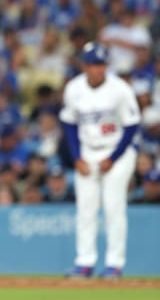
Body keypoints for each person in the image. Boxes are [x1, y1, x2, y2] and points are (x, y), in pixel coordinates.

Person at [60, 42, 140, 279]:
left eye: (102, 64)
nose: (98, 69)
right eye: (94, 64)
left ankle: (114, 264)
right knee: (85, 209)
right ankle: (84, 262)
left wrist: (113, 158)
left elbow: (131, 126)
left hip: (117, 152)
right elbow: (69, 123)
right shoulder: (74, 88)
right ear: (84, 66)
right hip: (87, 152)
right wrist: (76, 157)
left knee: (114, 207)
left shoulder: (120, 89)